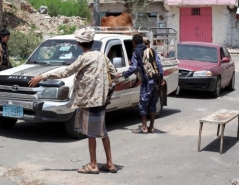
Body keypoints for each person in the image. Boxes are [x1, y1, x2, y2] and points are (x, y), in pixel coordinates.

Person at [28, 27, 118, 174]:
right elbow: (113, 73)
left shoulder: (84, 58)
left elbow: (66, 71)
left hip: (90, 101)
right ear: (92, 42)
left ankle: (94, 165)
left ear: (79, 44)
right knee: (102, 132)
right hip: (101, 100)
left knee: (91, 133)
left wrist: (43, 76)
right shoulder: (102, 56)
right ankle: (109, 163)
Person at [118, 34, 164, 134]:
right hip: (155, 81)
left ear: (134, 43)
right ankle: (151, 127)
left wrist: (124, 74)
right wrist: (161, 79)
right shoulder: (151, 50)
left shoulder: (136, 52)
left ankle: (143, 127)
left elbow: (134, 67)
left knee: (143, 104)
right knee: (152, 104)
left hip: (147, 82)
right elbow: (159, 65)